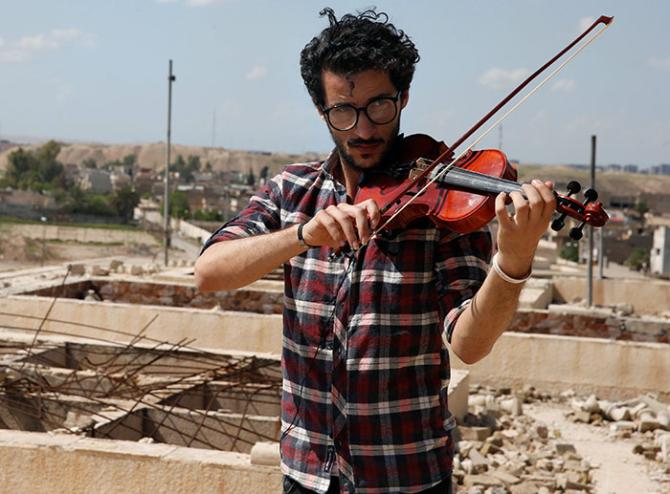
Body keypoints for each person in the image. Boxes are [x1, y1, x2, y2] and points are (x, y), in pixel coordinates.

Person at [195, 8, 555, 494]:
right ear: (321, 110)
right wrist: (303, 236)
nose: (363, 130)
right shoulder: (292, 191)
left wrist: (513, 261)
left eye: (379, 106)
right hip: (308, 473)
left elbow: (469, 343)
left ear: (404, 97)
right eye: (343, 111)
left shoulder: (443, 207)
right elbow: (209, 272)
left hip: (406, 475)